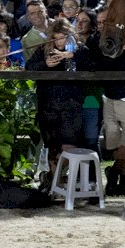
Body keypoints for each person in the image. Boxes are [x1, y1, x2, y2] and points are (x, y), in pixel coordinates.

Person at [26, 18, 91, 183]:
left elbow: (90, 66)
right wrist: (45, 64)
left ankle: (58, 178)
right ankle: (53, 181)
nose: (59, 42)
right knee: (53, 147)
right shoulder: (43, 50)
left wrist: (71, 56)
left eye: (63, 38)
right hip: (48, 105)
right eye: (56, 38)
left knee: (69, 145)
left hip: (71, 105)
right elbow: (29, 68)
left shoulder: (80, 50)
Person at [93, 8, 125, 196]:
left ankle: (113, 171)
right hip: (109, 96)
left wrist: (110, 58)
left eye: (105, 21)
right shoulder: (96, 40)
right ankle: (123, 179)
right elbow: (98, 65)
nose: (102, 25)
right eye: (99, 22)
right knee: (113, 140)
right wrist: (113, 56)